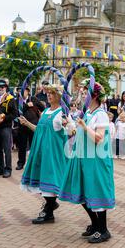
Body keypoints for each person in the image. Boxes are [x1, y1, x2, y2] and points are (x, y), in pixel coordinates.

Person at [59, 80, 115, 244]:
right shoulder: (89, 113)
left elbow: (98, 138)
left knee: (96, 190)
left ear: (94, 95)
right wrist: (70, 125)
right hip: (83, 156)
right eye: (82, 93)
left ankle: (103, 230)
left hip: (96, 158)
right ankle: (95, 224)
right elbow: (78, 132)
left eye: (85, 93)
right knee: (83, 190)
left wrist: (83, 125)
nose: (82, 95)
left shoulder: (101, 113)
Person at [20, 84, 74, 225]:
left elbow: (72, 131)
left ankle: (48, 210)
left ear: (59, 96)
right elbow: (39, 130)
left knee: (52, 180)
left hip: (54, 153)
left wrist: (67, 124)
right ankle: (50, 209)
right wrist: (26, 123)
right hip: (41, 151)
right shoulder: (45, 112)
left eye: (52, 93)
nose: (49, 95)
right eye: (48, 93)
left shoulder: (63, 112)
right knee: (42, 180)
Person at [0, 79, 18, 178]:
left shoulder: (10, 99)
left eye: (2, 87)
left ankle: (8, 169)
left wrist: (4, 118)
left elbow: (15, 114)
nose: (0, 89)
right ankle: (0, 168)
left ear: (6, 88)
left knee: (7, 148)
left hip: (5, 127)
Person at [16, 88, 45, 170]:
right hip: (22, 126)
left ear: (28, 91)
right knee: (22, 146)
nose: (21, 92)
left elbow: (43, 108)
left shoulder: (34, 99)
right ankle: (21, 163)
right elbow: (17, 112)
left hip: (33, 126)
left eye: (23, 90)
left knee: (34, 145)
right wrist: (26, 106)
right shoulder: (17, 101)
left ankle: (34, 163)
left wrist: (41, 117)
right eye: (19, 91)